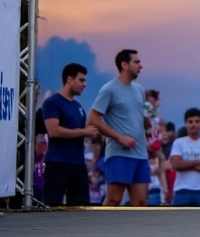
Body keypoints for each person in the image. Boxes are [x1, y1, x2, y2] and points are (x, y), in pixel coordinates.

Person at [87, 49, 150, 206]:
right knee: (114, 200)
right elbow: (93, 120)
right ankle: (104, 230)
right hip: (119, 154)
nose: (141, 66)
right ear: (124, 65)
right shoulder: (109, 89)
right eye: (136, 62)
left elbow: (133, 113)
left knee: (140, 202)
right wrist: (120, 137)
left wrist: (146, 122)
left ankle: (136, 231)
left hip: (140, 154)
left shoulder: (140, 90)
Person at [41, 63, 98, 206]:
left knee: (81, 205)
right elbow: (54, 131)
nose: (84, 84)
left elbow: (81, 131)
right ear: (69, 79)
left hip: (78, 163)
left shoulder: (78, 107)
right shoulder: (52, 102)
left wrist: (92, 133)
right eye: (81, 80)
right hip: (58, 162)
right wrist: (84, 132)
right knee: (53, 204)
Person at [169, 108, 200, 207]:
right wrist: (198, 162)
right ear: (185, 123)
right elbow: (176, 165)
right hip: (182, 190)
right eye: (190, 122)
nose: (193, 125)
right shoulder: (178, 143)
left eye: (197, 121)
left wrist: (185, 164)